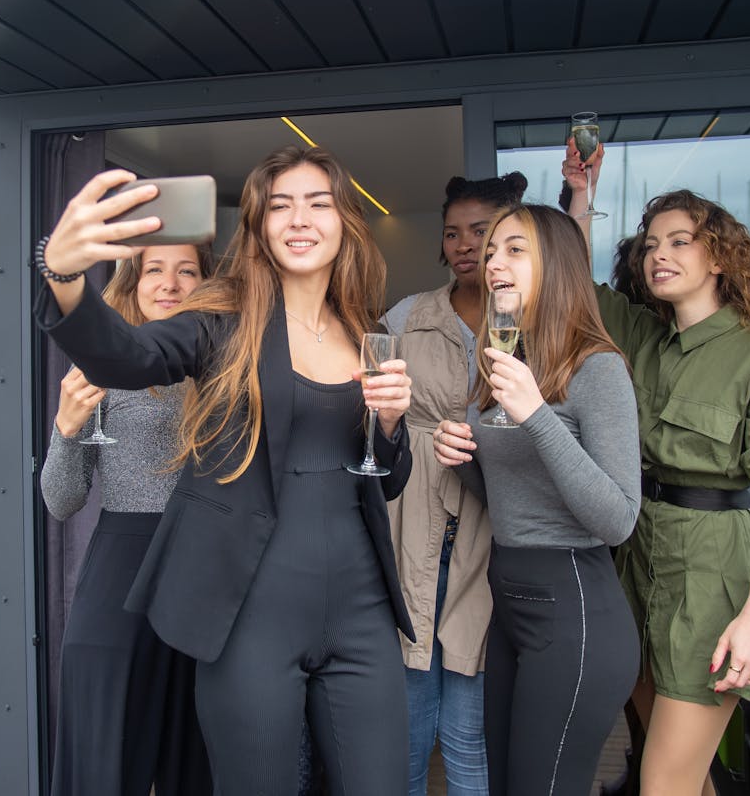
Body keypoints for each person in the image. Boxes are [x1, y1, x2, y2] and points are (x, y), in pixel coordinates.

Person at [38, 145, 416, 794]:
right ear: (259, 227)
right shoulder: (221, 326)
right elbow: (125, 356)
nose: (299, 219)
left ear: (344, 221)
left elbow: (386, 481)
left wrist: (388, 428)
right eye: (280, 206)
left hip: (362, 614)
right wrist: (63, 274)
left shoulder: (365, 329)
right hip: (249, 619)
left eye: (317, 203)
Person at [563, 146, 750, 796]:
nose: (659, 254)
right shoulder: (643, 338)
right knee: (678, 774)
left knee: (662, 784)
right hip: (635, 565)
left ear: (718, 257)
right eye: (651, 243)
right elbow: (572, 282)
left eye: (679, 242)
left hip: (710, 580)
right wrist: (579, 196)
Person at [431, 203, 641, 796]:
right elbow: (510, 499)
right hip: (511, 607)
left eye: (514, 249)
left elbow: (619, 519)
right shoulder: (502, 362)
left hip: (574, 610)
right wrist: (464, 460)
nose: (494, 261)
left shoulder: (597, 368)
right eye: (492, 250)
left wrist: (538, 417)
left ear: (559, 266)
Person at [40, 242, 214, 796]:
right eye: (153, 270)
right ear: (132, 281)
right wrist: (65, 429)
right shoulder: (101, 366)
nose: (169, 283)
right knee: (104, 751)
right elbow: (61, 502)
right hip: (122, 568)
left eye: (186, 270)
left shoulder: (229, 367)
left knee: (199, 754)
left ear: (206, 284)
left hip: (208, 570)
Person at [382, 173, 527, 796]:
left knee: (470, 737)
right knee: (406, 733)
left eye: (481, 231)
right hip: (413, 533)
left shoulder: (531, 321)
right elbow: (368, 411)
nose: (465, 244)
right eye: (453, 233)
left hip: (490, 545)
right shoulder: (408, 316)